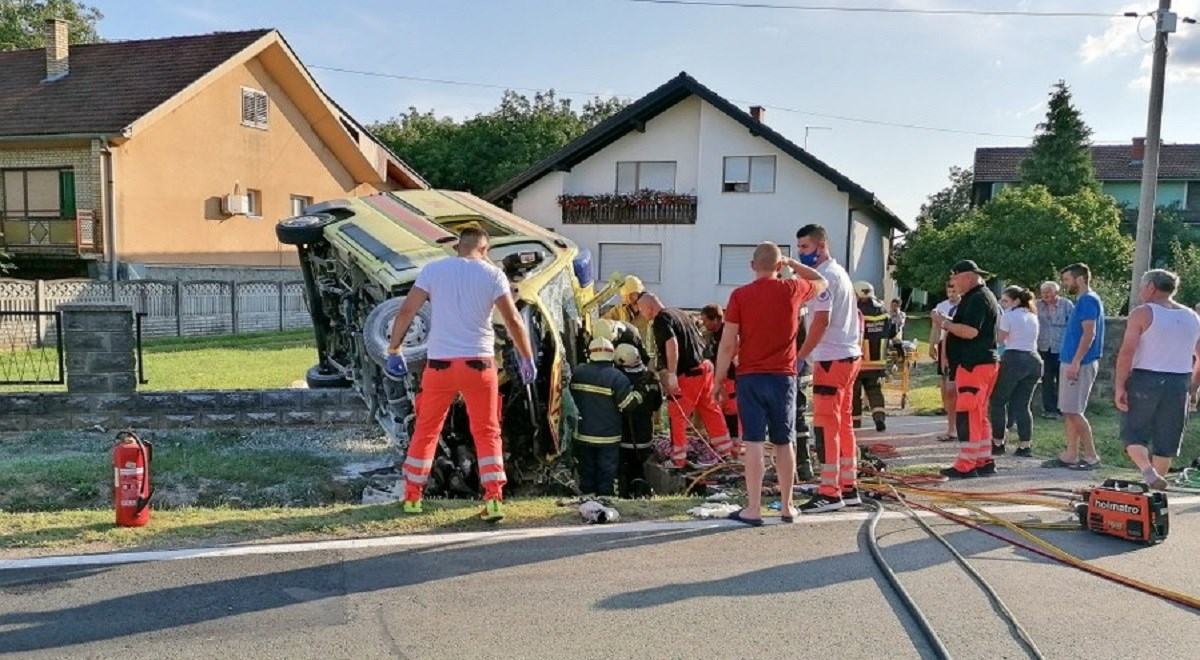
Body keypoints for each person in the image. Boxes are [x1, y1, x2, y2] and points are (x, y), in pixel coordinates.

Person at [387, 226, 536, 523]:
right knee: (487, 430)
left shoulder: (434, 270)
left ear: (458, 246)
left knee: (427, 429)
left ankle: (413, 497)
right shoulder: (492, 275)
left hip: (440, 365)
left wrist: (394, 349)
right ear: (484, 249)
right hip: (479, 365)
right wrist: (526, 357)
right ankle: (493, 499)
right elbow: (513, 320)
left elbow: (406, 311)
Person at [712, 242, 826, 525]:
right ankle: (787, 506)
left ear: (752, 266)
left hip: (750, 377)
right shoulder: (792, 289)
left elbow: (728, 344)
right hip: (783, 377)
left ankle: (753, 507)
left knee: (753, 441)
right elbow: (821, 281)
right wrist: (793, 264)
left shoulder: (739, 296)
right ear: (779, 267)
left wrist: (717, 380)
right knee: (783, 440)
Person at [794, 224, 863, 513]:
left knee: (825, 424)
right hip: (848, 356)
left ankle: (829, 491)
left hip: (831, 359)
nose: (801, 253)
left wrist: (801, 355)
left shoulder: (825, 279)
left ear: (821, 246)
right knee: (843, 422)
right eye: (799, 248)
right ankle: (848, 485)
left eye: (805, 248)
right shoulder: (840, 273)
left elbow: (821, 321)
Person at [1114, 269, 1200, 490]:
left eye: (1142, 286)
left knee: (1133, 431)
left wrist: (1119, 386)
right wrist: (1193, 387)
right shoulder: (1192, 316)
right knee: (1167, 438)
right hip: (1179, 380)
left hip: (1146, 377)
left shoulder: (1143, 313)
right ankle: (1155, 487)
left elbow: (1127, 352)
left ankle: (1148, 471)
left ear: (1151, 287)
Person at [636, 292, 735, 467]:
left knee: (677, 414)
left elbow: (671, 343)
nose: (642, 315)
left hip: (689, 373)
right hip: (705, 368)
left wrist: (672, 375)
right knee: (710, 410)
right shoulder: (679, 313)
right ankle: (725, 451)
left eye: (642, 311)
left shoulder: (661, 319)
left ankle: (678, 459)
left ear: (649, 308)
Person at [935, 260, 1001, 479]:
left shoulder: (978, 298)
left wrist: (944, 323)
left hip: (974, 365)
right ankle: (983, 459)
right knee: (979, 414)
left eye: (955, 278)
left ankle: (966, 464)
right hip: (979, 364)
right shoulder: (979, 297)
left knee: (969, 414)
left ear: (967, 276)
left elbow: (971, 331)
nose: (953, 283)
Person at [1045, 262, 1105, 471]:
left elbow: (1090, 333)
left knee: (1074, 411)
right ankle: (1070, 454)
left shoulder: (1088, 300)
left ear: (1079, 279)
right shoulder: (1083, 300)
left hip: (1079, 362)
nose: (1065, 283)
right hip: (1071, 360)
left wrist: (1077, 361)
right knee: (1069, 410)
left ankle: (1091, 456)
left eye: (1067, 279)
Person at [570, 338, 643, 497]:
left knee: (586, 469)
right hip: (608, 437)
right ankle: (606, 498)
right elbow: (626, 404)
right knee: (607, 471)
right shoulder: (617, 378)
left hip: (582, 434)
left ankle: (587, 497)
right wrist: (640, 394)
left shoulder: (577, 372)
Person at [989, 286, 1042, 458]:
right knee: (1022, 405)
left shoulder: (1009, 316)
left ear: (1016, 301)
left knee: (998, 401)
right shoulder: (1032, 315)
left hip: (1014, 358)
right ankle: (1025, 445)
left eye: (1005, 301)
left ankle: (998, 442)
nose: (1002, 304)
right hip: (1033, 359)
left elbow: (1000, 339)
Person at [613, 343, 662, 497]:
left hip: (625, 436)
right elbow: (658, 404)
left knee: (625, 468)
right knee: (639, 468)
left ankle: (626, 493)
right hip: (645, 436)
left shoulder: (619, 379)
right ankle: (640, 491)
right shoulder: (650, 378)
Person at [853, 281, 893, 432]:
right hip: (877, 360)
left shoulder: (855, 311)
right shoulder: (882, 310)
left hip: (859, 360)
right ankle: (879, 418)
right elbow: (891, 331)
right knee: (874, 389)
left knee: (855, 394)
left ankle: (855, 425)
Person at [701, 303, 740, 448]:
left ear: (716, 319)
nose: (704, 324)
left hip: (729, 375)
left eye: (706, 321)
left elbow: (731, 352)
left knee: (731, 408)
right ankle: (727, 440)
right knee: (722, 408)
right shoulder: (714, 334)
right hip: (719, 376)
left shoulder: (727, 332)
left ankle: (734, 440)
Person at [1036, 281, 1074, 419]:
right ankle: (1049, 409)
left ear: (1056, 292)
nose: (1045, 294)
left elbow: (1073, 325)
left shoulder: (1066, 304)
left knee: (1062, 379)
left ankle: (1063, 408)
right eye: (1043, 292)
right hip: (1044, 346)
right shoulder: (1037, 305)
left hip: (1061, 347)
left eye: (1048, 291)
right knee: (1046, 379)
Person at [929, 282, 961, 442]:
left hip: (959, 345)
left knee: (954, 385)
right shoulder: (941, 306)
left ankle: (956, 422)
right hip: (945, 344)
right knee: (945, 380)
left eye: (954, 291)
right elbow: (935, 327)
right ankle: (946, 408)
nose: (952, 294)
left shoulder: (965, 305)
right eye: (949, 291)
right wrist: (932, 344)